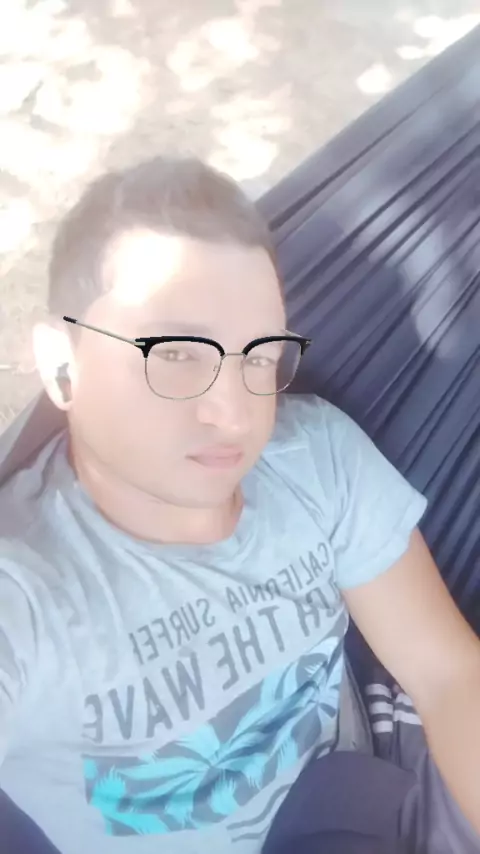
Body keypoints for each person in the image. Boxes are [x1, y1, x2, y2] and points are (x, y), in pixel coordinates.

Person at [0, 155, 479, 854]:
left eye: (257, 356)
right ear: (62, 364)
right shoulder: (26, 590)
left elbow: (448, 675)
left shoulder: (314, 458)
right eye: (175, 353)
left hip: (357, 803)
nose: (234, 412)